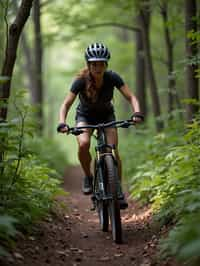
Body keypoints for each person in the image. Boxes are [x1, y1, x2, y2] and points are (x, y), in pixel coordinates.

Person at [57, 42, 143, 209]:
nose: (98, 67)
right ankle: (89, 177)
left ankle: (117, 189)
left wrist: (137, 113)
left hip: (106, 115)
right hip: (85, 117)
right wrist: (62, 122)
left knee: (111, 149)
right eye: (94, 63)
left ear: (106, 64)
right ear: (89, 64)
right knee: (84, 144)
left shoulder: (112, 77)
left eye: (101, 63)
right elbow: (66, 105)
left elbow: (131, 97)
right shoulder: (80, 81)